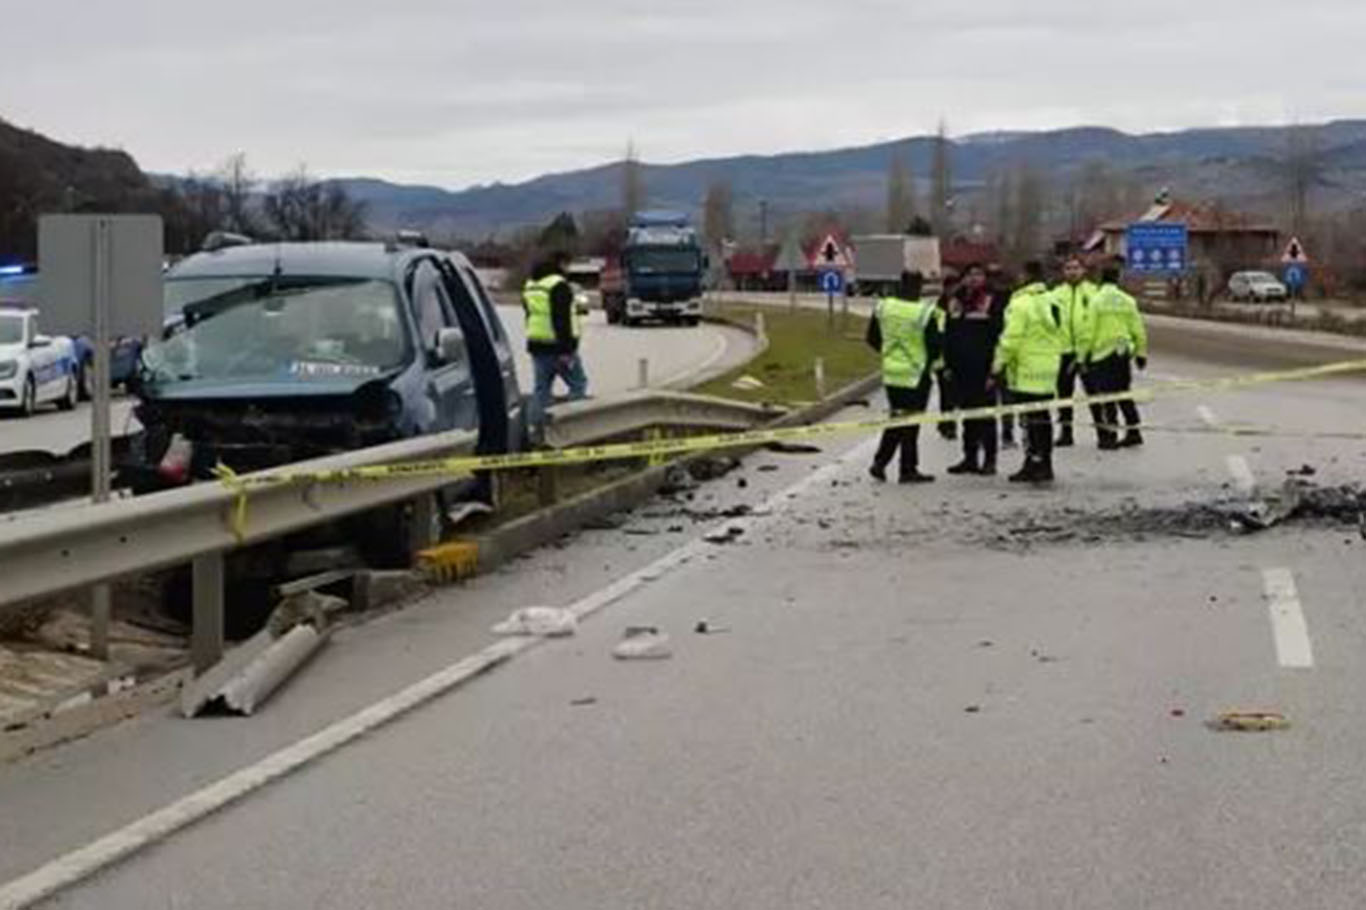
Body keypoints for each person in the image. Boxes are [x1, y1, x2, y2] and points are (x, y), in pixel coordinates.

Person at [866, 270, 941, 484]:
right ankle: (905, 469)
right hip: (916, 374)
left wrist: (889, 354)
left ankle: (882, 463)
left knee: (898, 419)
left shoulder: (884, 307)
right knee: (910, 423)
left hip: (892, 373)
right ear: (919, 287)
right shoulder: (923, 312)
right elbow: (934, 344)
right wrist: (930, 362)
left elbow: (871, 338)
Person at [992, 277, 1068, 484]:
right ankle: (1044, 464)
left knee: (1029, 421)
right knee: (1043, 418)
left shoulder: (1019, 304)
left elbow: (1011, 339)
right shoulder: (1054, 301)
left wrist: (998, 365)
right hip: (1048, 368)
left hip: (1026, 371)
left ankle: (1033, 463)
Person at [944, 263, 1003, 475]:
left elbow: (1001, 336)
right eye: (970, 274)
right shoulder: (954, 300)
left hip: (984, 367)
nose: (974, 278)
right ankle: (969, 457)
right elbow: (947, 333)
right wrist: (947, 365)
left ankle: (990, 459)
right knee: (968, 414)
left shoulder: (993, 300)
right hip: (960, 367)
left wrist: (995, 370)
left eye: (979, 274)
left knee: (986, 415)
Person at [522, 252, 587, 428]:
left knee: (541, 390)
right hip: (559, 346)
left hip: (537, 345)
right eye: (568, 265)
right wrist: (566, 350)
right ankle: (575, 425)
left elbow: (529, 314)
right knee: (578, 384)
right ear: (561, 264)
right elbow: (562, 320)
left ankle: (535, 428)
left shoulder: (531, 286)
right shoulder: (558, 286)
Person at [1086, 262, 1148, 449]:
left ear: (1101, 279)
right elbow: (1138, 330)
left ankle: (1110, 436)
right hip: (1122, 354)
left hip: (1102, 355)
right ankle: (1134, 432)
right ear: (1117, 279)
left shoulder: (1096, 300)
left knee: (1106, 396)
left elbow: (1089, 331)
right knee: (1124, 393)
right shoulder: (1127, 300)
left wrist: (1083, 355)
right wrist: (1140, 353)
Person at [1050, 255, 1098, 448]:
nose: (1072, 271)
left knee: (1095, 394)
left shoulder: (1093, 293)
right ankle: (1066, 432)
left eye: (1076, 268)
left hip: (1088, 352)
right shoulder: (1056, 294)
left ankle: (1104, 432)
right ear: (1063, 272)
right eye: (1068, 268)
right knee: (1063, 395)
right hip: (1064, 351)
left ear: (1083, 270)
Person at [987, 264, 1017, 448]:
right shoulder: (1011, 299)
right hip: (1002, 352)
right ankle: (1006, 435)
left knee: (992, 397)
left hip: (994, 352)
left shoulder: (984, 299)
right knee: (1006, 398)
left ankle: (995, 435)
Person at [934, 271, 960, 441]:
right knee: (946, 394)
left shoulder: (960, 304)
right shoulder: (940, 307)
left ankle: (946, 423)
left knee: (954, 393)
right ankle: (947, 425)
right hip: (943, 357)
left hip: (957, 355)